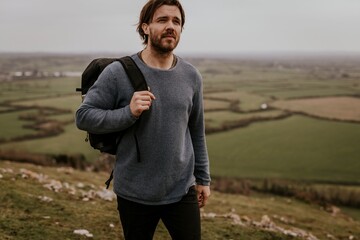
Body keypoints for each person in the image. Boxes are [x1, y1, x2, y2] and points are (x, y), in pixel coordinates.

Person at [76, 0, 211, 239]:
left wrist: (203, 178)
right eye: (162, 20)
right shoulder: (117, 73)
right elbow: (84, 116)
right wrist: (128, 113)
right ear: (145, 27)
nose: (171, 26)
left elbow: (196, 130)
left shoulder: (191, 75)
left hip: (182, 189)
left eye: (176, 21)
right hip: (134, 193)